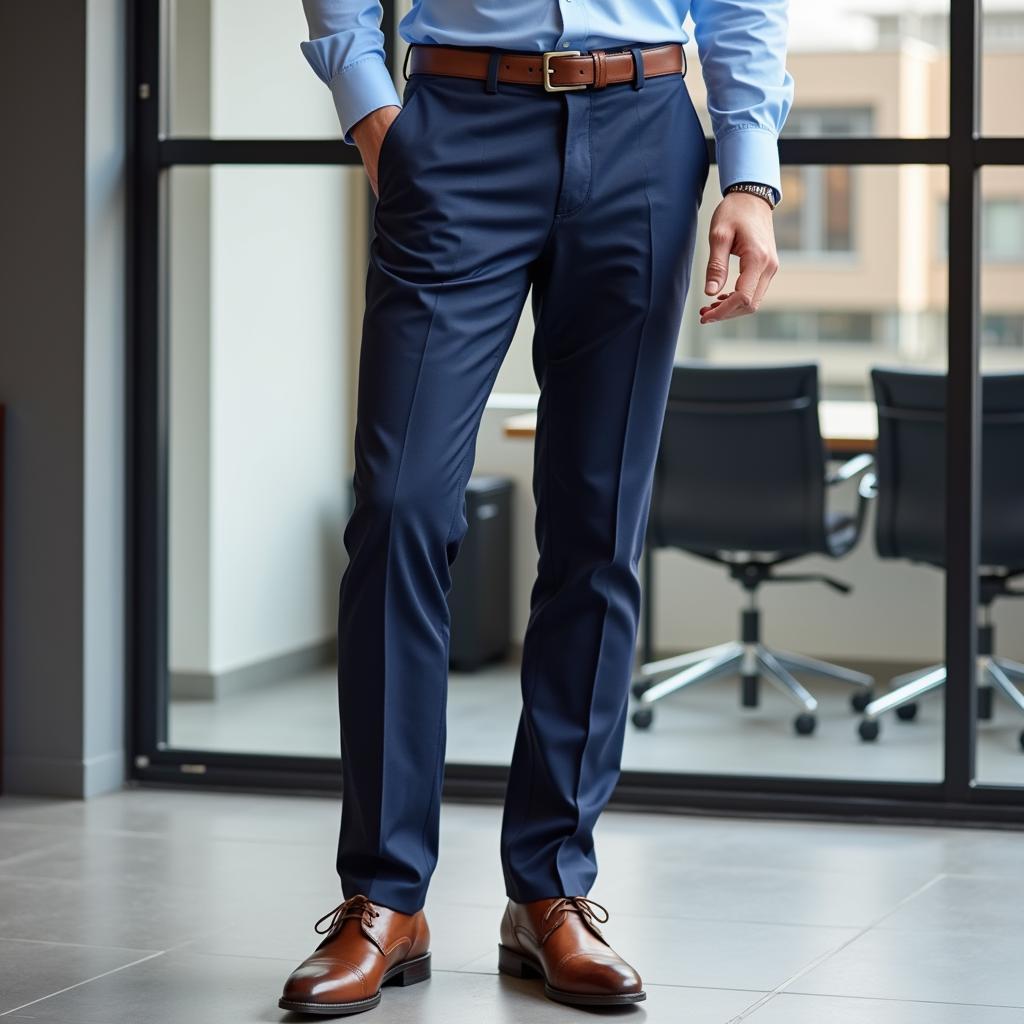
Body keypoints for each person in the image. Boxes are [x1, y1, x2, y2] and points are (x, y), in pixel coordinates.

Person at [280, 0, 793, 1015]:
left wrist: (748, 171)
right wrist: (371, 107)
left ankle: (551, 887)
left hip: (646, 129)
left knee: (596, 530)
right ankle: (384, 896)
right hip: (456, 126)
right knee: (399, 506)